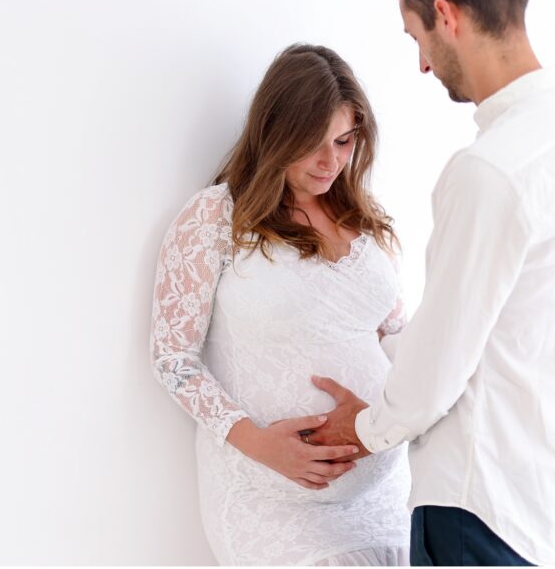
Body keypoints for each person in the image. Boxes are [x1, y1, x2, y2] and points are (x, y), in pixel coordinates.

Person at [305, 0, 555, 566]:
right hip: (534, 502)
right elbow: (501, 328)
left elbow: (437, 372)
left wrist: (362, 425)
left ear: (446, 14)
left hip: (472, 502)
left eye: (418, 38)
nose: (423, 64)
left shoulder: (490, 169)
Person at [150, 43, 411, 566]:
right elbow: (172, 359)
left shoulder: (363, 217)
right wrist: (258, 442)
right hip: (269, 502)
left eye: (343, 141)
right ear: (275, 132)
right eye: (312, 144)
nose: (330, 162)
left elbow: (396, 338)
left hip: (382, 498)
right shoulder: (216, 217)